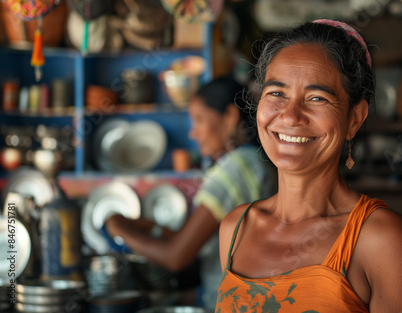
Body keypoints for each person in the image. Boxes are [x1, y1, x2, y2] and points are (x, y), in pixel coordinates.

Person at [216, 20, 402, 312]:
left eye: (317, 98)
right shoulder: (235, 229)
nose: (290, 116)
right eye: (277, 93)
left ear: (354, 118)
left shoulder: (379, 239)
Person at [105, 76, 277, 310]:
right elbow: (207, 239)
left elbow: (176, 257)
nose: (193, 134)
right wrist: (151, 228)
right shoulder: (254, 162)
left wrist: (117, 227)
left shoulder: (236, 169)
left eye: (199, 120)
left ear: (229, 116)